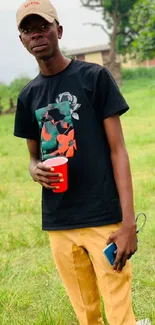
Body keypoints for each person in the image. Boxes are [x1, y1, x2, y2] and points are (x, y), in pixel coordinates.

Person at [14, 1, 138, 324]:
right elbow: (32, 157)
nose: (36, 35)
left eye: (43, 26)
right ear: (22, 41)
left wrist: (127, 224)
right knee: (86, 314)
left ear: (59, 30)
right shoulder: (28, 97)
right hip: (59, 223)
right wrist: (33, 170)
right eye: (28, 30)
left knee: (119, 311)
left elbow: (118, 151)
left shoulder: (94, 78)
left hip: (103, 219)